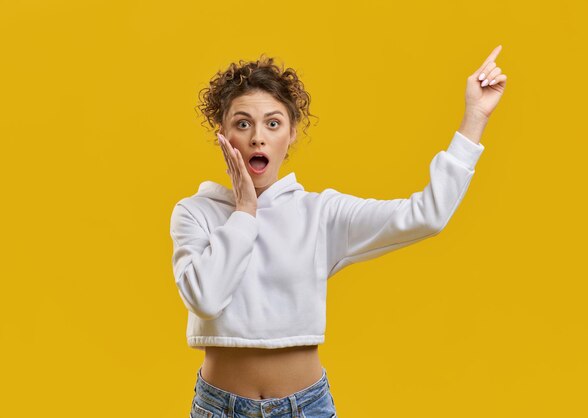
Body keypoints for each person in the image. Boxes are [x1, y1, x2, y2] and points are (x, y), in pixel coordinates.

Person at [170, 48, 507, 418]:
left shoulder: (320, 214)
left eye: (273, 123)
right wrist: (245, 211)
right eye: (243, 123)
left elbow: (427, 215)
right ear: (223, 134)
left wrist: (474, 118)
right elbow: (204, 299)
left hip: (306, 408)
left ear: (292, 133)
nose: (257, 138)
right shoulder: (195, 212)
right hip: (219, 408)